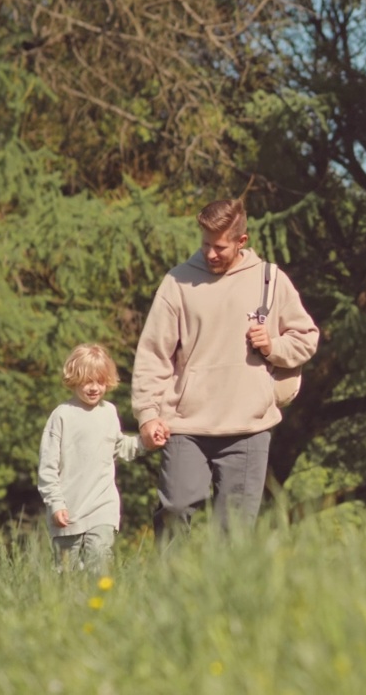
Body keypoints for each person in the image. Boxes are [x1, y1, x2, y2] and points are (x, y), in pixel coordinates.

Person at [132, 199, 319, 543]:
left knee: (234, 532)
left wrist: (273, 347)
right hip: (186, 424)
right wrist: (147, 414)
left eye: (219, 246)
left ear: (241, 241)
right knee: (174, 509)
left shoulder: (270, 279)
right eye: (205, 243)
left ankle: (222, 597)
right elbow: (153, 354)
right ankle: (167, 592)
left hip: (248, 427)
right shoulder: (177, 281)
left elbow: (307, 339)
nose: (210, 253)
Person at [38, 343, 161, 572]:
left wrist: (146, 442)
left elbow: (119, 446)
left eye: (100, 381)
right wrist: (55, 503)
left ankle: (103, 604)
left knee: (100, 562)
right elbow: (47, 468)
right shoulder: (62, 415)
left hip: (103, 505)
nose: (94, 388)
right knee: (67, 572)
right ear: (74, 379)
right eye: (87, 381)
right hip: (68, 510)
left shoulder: (109, 412)